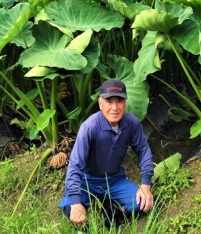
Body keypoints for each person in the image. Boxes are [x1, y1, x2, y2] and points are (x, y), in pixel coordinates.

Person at [58, 78, 154, 227]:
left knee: (140, 204)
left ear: (125, 102)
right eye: (109, 102)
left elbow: (144, 150)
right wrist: (76, 203)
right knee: (69, 207)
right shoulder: (89, 127)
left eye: (119, 101)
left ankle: (110, 207)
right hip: (87, 181)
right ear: (100, 103)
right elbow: (75, 166)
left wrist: (146, 185)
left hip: (114, 180)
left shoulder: (131, 123)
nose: (115, 107)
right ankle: (88, 208)